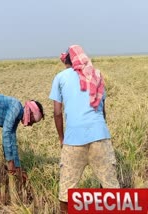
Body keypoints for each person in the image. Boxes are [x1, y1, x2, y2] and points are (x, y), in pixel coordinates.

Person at [49, 45, 120, 213]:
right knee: (111, 188)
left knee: (66, 193)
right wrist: (100, 132)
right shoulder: (96, 75)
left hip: (73, 140)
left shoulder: (60, 77)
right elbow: (102, 110)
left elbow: (57, 113)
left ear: (67, 62)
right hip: (100, 136)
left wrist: (62, 138)